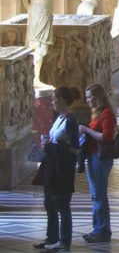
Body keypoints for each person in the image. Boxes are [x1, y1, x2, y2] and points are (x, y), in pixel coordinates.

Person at [34, 86, 80, 252]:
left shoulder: (71, 120)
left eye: (53, 98)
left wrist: (50, 147)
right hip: (51, 167)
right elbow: (55, 139)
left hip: (62, 169)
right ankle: (51, 238)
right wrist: (46, 144)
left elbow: (74, 148)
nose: (52, 101)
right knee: (49, 203)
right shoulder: (59, 117)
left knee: (62, 206)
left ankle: (64, 241)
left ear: (61, 100)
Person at [79, 84, 116, 244]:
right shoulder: (98, 113)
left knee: (99, 196)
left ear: (98, 97)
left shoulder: (106, 113)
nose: (87, 100)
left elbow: (106, 137)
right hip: (94, 157)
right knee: (96, 196)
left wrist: (87, 131)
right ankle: (97, 229)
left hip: (100, 159)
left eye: (89, 97)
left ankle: (103, 230)